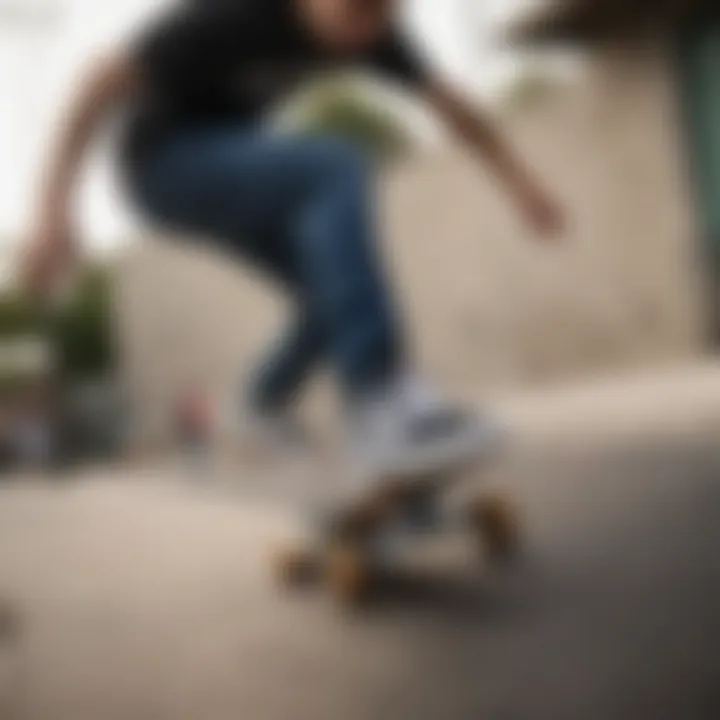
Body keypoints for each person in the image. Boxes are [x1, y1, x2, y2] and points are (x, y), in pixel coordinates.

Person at [24, 0, 564, 500]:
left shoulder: (375, 31)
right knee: (332, 165)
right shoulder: (229, 14)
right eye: (354, 13)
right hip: (162, 167)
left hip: (234, 164)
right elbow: (97, 82)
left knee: (327, 296)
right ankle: (380, 401)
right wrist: (53, 209)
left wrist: (520, 182)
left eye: (383, 17)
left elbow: (456, 108)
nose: (365, 36)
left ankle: (261, 406)